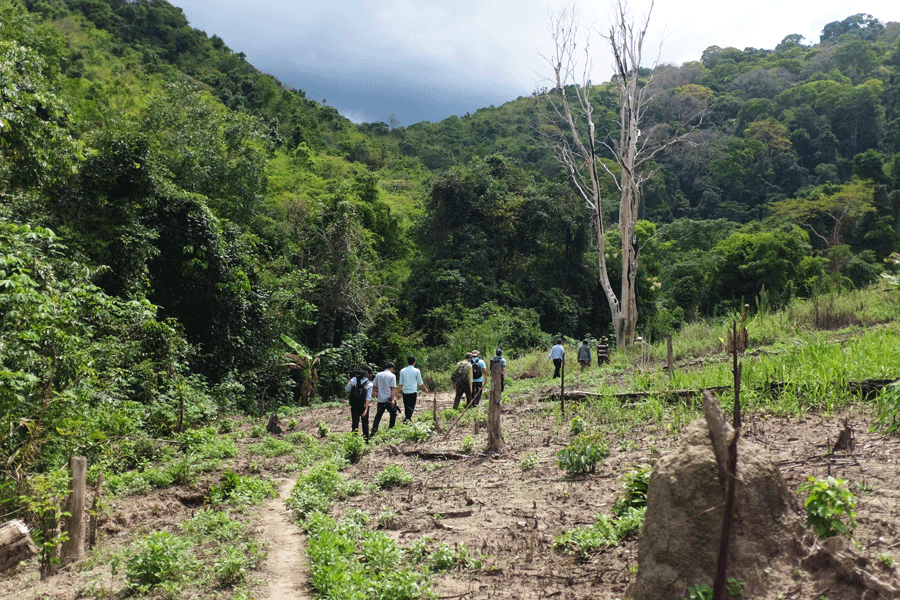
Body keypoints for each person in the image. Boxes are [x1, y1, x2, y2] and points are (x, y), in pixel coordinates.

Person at [344, 367, 373, 441]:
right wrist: (366, 409)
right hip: (363, 406)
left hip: (354, 405)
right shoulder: (369, 384)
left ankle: (354, 440)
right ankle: (366, 440)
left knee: (355, 423)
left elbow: (347, 389)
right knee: (365, 423)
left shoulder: (353, 380)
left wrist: (349, 379)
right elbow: (368, 398)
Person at [371, 362, 398, 436]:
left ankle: (374, 428)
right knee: (393, 413)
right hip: (388, 399)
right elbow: (393, 388)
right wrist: (392, 400)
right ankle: (391, 428)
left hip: (381, 399)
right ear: (391, 368)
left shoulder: (378, 374)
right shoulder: (392, 376)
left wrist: (374, 393)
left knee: (378, 415)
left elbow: (373, 385)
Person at [398, 355, 428, 422]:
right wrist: (425, 389)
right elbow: (420, 382)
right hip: (413, 391)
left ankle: (407, 418)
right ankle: (408, 419)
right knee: (411, 406)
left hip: (405, 391)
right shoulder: (417, 371)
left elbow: (400, 383)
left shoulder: (402, 371)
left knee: (406, 405)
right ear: (414, 362)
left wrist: (398, 392)